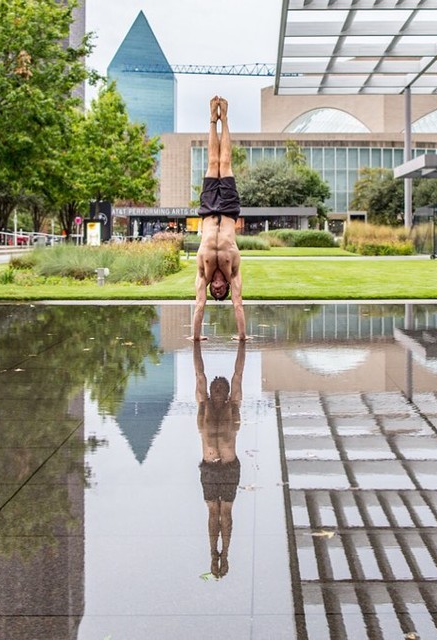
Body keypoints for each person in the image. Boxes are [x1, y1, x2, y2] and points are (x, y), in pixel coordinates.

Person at [190, 96, 247, 341]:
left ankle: (212, 120)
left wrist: (195, 336)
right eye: (219, 290)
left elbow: (199, 304)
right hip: (229, 210)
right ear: (224, 289)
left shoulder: (203, 271)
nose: (216, 287)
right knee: (226, 162)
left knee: (213, 161)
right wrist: (242, 336)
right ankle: (225, 118)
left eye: (215, 290)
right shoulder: (233, 271)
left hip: (208, 210)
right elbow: (238, 304)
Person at [194, 340, 245, 578]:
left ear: (226, 392)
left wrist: (241, 344)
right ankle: (212, 552)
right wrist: (196, 343)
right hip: (209, 467)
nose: (215, 388)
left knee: (226, 512)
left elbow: (238, 374)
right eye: (214, 386)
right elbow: (199, 373)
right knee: (213, 512)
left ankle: (226, 552)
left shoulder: (232, 406)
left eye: (220, 387)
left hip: (229, 466)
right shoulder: (202, 406)